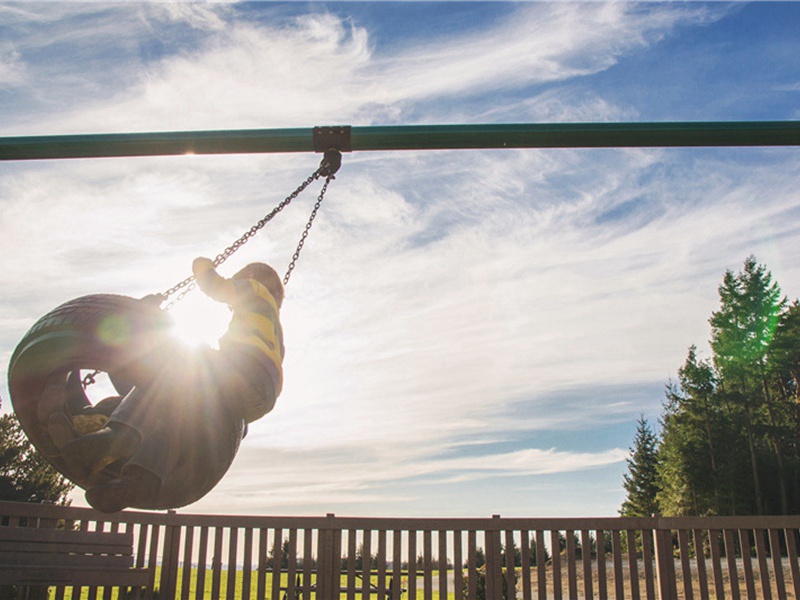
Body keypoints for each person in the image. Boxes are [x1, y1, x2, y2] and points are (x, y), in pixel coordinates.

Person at [60, 258, 286, 512]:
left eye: (241, 278)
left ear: (252, 276)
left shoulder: (255, 290)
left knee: (179, 367)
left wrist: (203, 268)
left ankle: (121, 432)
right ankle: (140, 480)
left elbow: (217, 287)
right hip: (258, 396)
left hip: (242, 367)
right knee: (179, 417)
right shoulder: (274, 328)